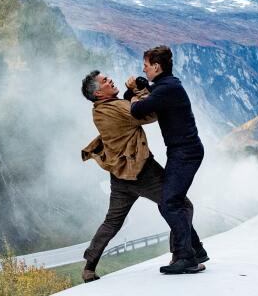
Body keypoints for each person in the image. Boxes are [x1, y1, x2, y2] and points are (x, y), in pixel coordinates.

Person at [80, 70, 207, 283]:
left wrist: (131, 93)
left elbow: (130, 109)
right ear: (99, 93)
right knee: (180, 205)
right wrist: (142, 90)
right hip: (143, 173)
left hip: (119, 176)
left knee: (112, 222)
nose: (110, 80)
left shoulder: (100, 111)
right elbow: (150, 114)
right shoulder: (118, 108)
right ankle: (183, 256)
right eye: (105, 81)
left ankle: (89, 268)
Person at [129, 45, 206, 275]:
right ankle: (196, 251)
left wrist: (133, 98)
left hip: (185, 153)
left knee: (169, 203)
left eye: (146, 66)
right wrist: (142, 87)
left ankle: (187, 258)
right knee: (175, 201)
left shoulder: (166, 90)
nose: (144, 69)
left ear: (156, 66)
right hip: (182, 151)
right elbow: (152, 92)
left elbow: (138, 110)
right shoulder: (167, 86)